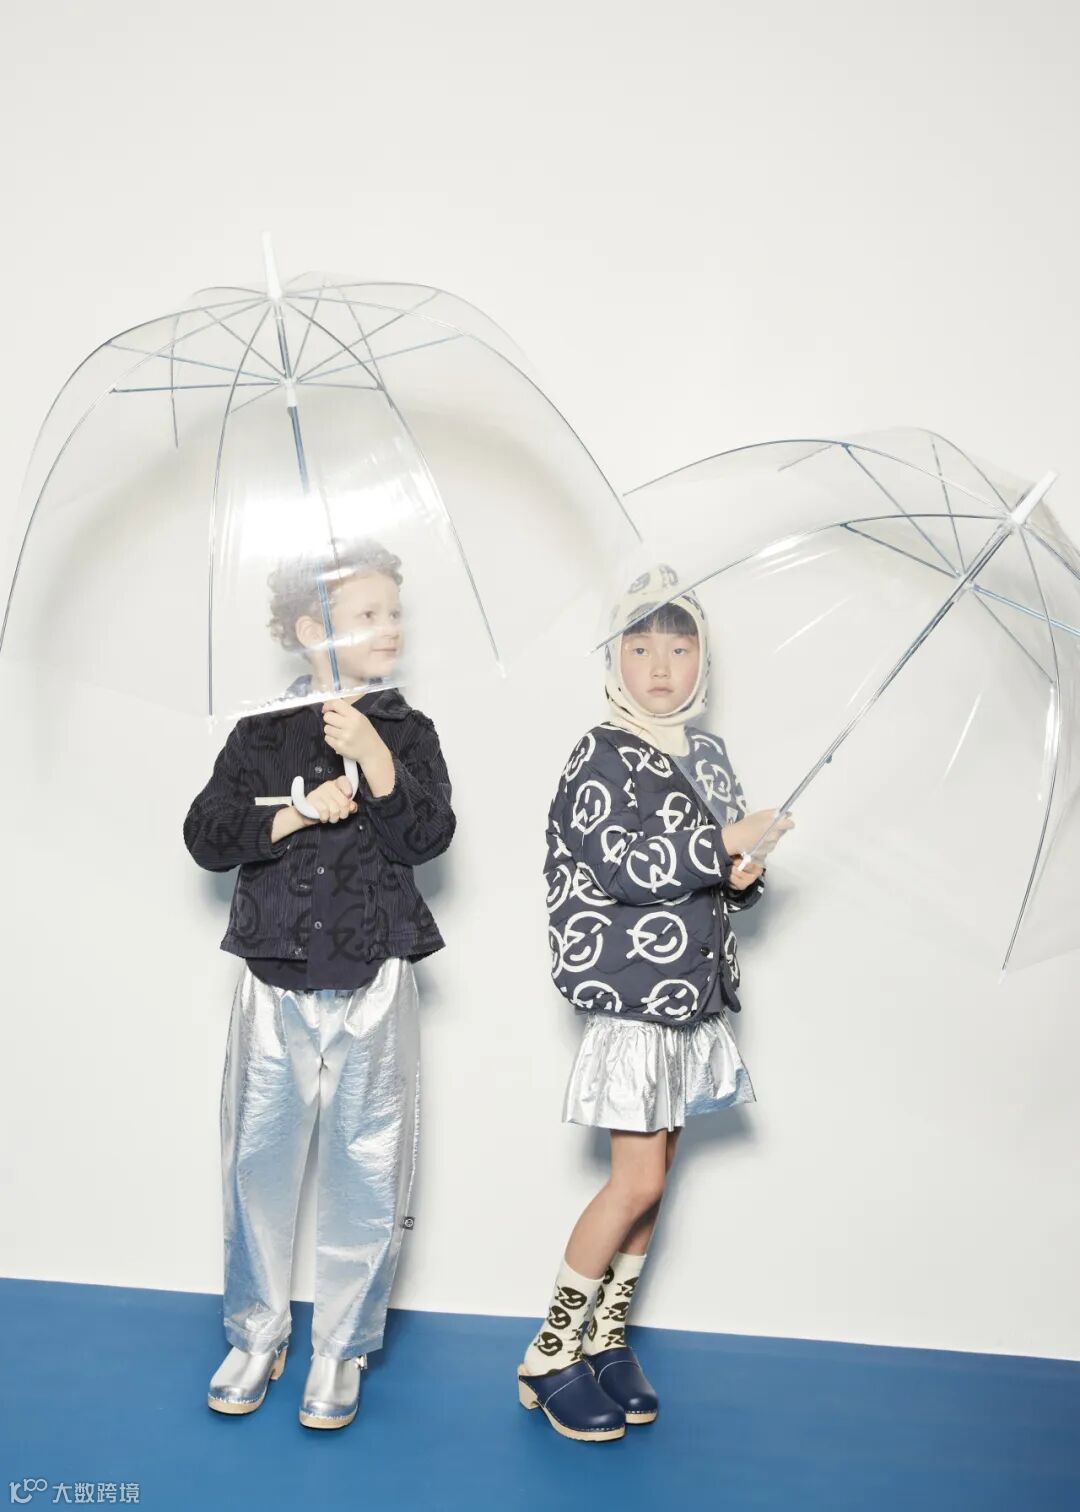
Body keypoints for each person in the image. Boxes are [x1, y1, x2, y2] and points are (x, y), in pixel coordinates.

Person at [183, 538, 455, 1430]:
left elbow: (429, 836)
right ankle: (256, 1331)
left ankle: (342, 1344)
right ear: (312, 630)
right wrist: (295, 812)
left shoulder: (408, 730)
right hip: (275, 979)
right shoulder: (260, 734)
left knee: (369, 1166)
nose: (390, 627)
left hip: (375, 975)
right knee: (256, 1163)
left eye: (394, 612)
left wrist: (374, 756)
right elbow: (206, 834)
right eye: (367, 614)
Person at [517, 566, 793, 1443]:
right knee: (633, 1179)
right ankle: (548, 1354)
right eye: (639, 648)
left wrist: (743, 873)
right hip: (634, 996)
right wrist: (722, 842)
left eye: (680, 647)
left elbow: (715, 878)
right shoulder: (600, 752)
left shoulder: (706, 755)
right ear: (614, 660)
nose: (661, 667)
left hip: (691, 997)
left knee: (656, 1181)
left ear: (704, 658)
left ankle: (605, 1336)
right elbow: (627, 867)